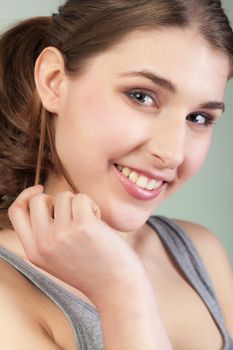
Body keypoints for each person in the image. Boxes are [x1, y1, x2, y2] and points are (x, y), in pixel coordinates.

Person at [0, 0, 233, 349]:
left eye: (199, 118)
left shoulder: (201, 252)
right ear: (53, 82)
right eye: (141, 96)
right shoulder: (7, 291)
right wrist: (122, 293)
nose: (172, 152)